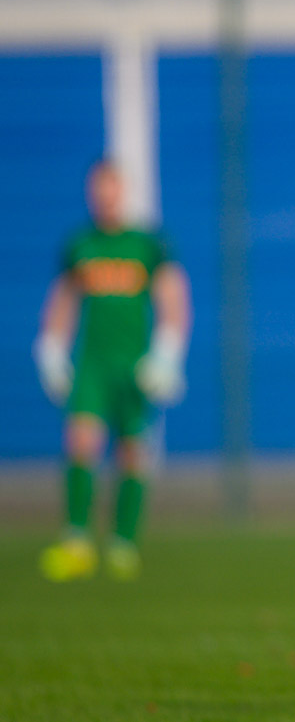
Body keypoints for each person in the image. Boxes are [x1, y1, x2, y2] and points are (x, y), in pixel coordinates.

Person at [34, 159, 191, 581]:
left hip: (133, 365)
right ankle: (77, 541)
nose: (105, 197)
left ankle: (124, 543)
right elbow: (64, 300)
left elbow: (173, 298)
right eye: (98, 190)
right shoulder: (80, 244)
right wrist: (51, 348)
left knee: (132, 451)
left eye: (112, 188)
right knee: (81, 440)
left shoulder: (148, 245)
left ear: (123, 192)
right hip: (93, 363)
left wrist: (168, 353)